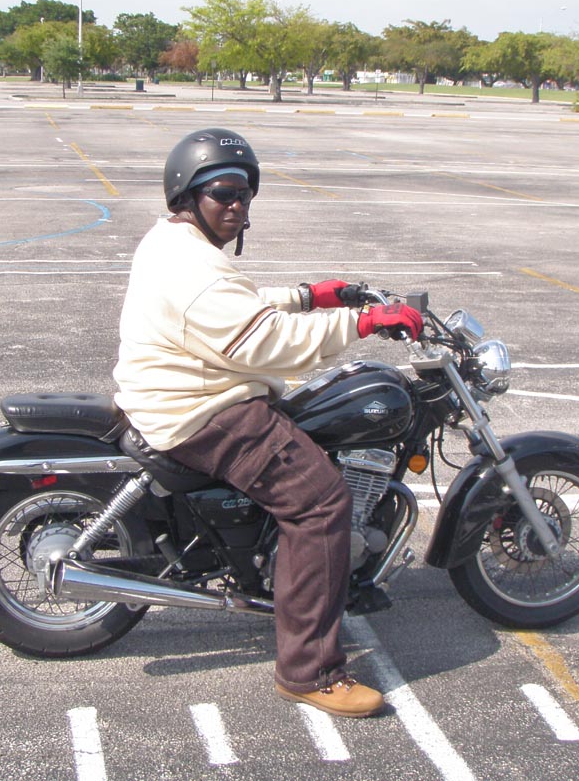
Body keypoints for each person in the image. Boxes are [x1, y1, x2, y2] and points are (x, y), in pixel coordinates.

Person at [113, 128, 423, 719]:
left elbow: (239, 304)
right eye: (222, 193)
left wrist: (312, 296)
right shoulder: (192, 265)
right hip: (202, 408)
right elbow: (262, 340)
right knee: (321, 502)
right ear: (188, 194)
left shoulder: (176, 243)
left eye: (245, 194)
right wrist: (363, 324)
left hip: (186, 391)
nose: (236, 205)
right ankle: (310, 673)